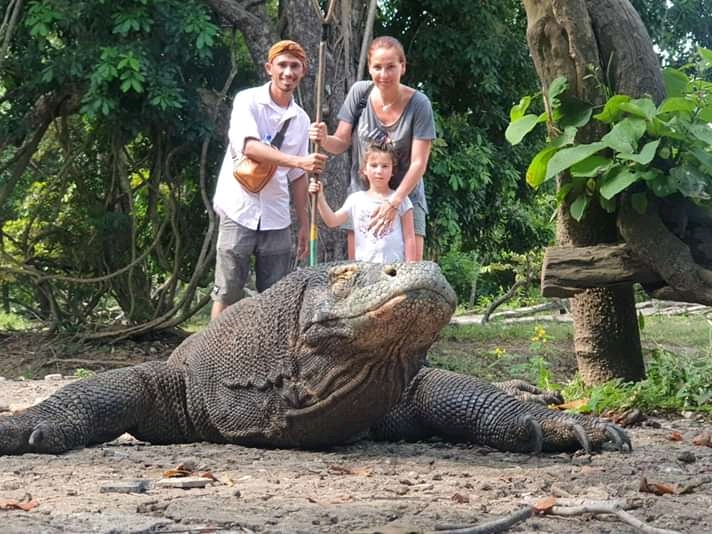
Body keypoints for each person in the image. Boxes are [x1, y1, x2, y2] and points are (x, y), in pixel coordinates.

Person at [210, 40, 327, 319]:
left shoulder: (301, 120)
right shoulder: (247, 100)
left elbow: (298, 178)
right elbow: (250, 147)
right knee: (227, 292)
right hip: (239, 209)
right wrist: (298, 160)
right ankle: (209, 360)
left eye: (294, 66)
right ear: (269, 68)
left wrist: (303, 222)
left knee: (276, 298)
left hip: (276, 216)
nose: (288, 72)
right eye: (282, 65)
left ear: (303, 71)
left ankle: (268, 360)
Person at [309, 35, 435, 260]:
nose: (384, 75)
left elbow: (419, 163)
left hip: (406, 198)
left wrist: (394, 202)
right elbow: (340, 143)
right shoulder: (360, 94)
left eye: (390, 67)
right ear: (369, 68)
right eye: (377, 67)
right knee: (359, 275)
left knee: (412, 277)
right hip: (364, 198)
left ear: (402, 67)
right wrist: (324, 138)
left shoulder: (419, 104)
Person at [309, 143, 416, 262]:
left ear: (392, 170)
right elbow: (332, 221)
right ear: (364, 169)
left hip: (394, 269)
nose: (379, 171)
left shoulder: (401, 200)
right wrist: (319, 197)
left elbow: (409, 237)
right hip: (365, 269)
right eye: (374, 165)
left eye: (385, 166)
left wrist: (410, 267)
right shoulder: (356, 200)